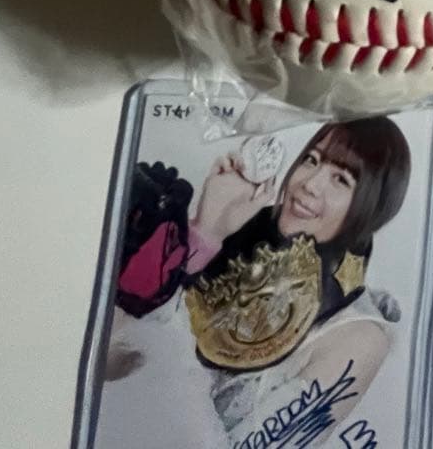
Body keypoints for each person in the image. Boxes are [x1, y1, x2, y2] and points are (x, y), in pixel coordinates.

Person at [112, 118, 411, 448]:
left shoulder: (358, 338)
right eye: (311, 159)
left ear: (374, 209)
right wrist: (206, 230)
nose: (309, 184)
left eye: (341, 179)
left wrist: (173, 346)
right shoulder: (234, 236)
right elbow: (108, 362)